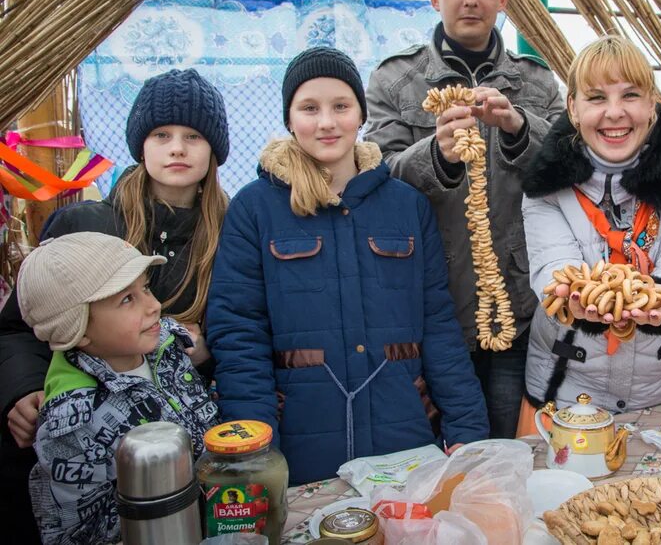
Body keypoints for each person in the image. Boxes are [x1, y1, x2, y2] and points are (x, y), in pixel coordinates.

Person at [206, 47, 488, 485]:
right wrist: (256, 454)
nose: (326, 122)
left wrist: (467, 430)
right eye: (309, 108)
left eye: (341, 106)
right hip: (301, 445)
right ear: (289, 118)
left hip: (404, 437)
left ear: (360, 114)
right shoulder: (254, 209)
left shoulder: (406, 205)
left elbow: (437, 323)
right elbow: (239, 335)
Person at [0, 68, 229, 543]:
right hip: (84, 443)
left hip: (180, 440)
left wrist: (210, 349)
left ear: (214, 149)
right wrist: (20, 387)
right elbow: (18, 327)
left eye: (193, 136)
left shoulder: (231, 236)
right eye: (161, 134)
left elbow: (248, 325)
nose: (178, 148)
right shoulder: (85, 225)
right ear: (139, 145)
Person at [364, 0, 564, 438]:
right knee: (425, 452)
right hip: (426, 303)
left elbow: (571, 168)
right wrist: (435, 155)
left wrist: (520, 127)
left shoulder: (537, 85)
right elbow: (374, 176)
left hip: (516, 306)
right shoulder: (395, 81)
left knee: (505, 450)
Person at [520, 36, 661, 412]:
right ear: (573, 109)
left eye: (630, 95)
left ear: (651, 105)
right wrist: (574, 301)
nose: (614, 113)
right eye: (596, 98)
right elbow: (555, 265)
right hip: (566, 389)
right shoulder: (546, 186)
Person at [19, 232, 219, 545]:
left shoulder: (165, 343)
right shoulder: (73, 422)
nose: (154, 305)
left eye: (146, 288)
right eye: (127, 299)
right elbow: (77, 533)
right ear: (78, 328)